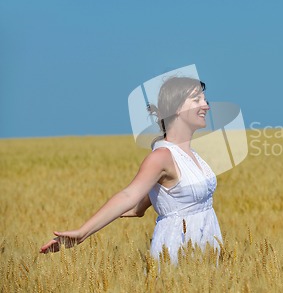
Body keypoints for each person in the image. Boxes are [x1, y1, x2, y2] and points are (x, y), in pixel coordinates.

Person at [40, 77, 223, 265]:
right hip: (179, 249)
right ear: (176, 108)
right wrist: (82, 233)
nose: (206, 106)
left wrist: (140, 207)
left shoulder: (191, 154)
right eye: (197, 99)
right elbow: (129, 195)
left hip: (206, 247)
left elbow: (158, 198)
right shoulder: (161, 156)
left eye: (204, 99)